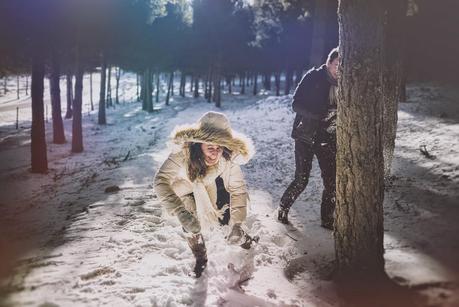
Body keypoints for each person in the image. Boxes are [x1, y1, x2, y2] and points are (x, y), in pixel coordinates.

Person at [154, 111, 255, 278]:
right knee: (190, 224)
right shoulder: (183, 152)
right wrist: (180, 211)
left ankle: (246, 241)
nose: (215, 153)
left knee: (230, 230)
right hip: (187, 188)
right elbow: (160, 180)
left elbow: (238, 189)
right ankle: (200, 258)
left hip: (217, 186)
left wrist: (237, 223)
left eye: (219, 148)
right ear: (199, 144)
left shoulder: (227, 158)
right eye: (210, 147)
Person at [278, 47, 339, 230]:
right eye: (337, 64)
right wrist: (317, 114)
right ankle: (283, 207)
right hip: (306, 136)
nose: (339, 69)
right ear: (329, 63)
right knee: (301, 179)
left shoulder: (345, 83)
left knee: (332, 181)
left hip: (328, 138)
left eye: (343, 66)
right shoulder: (313, 77)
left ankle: (327, 219)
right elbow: (296, 104)